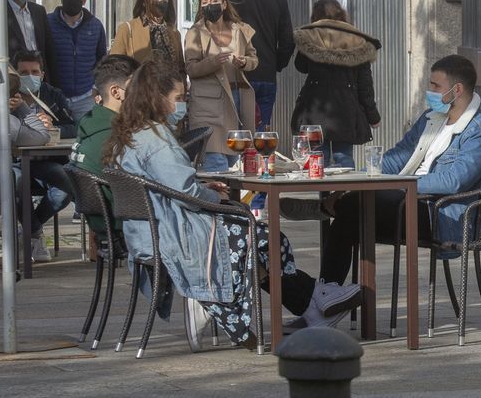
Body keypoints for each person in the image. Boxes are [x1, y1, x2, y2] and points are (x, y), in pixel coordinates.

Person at [104, 60, 363, 348]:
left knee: (255, 234)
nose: (182, 105)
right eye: (178, 98)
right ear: (156, 97)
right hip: (173, 234)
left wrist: (203, 189)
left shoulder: (132, 133)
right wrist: (214, 196)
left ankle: (312, 301)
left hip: (151, 232)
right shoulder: (156, 139)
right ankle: (311, 298)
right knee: (260, 235)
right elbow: (186, 192)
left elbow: (168, 185)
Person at [319, 55, 481, 285]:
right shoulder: (431, 118)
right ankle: (329, 297)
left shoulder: (480, 130)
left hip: (439, 215)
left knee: (353, 206)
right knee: (353, 209)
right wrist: (360, 177)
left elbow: (454, 181)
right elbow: (399, 157)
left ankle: (326, 295)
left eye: (435, 86)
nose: (430, 91)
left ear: (457, 89)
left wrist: (402, 184)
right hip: (409, 201)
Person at [290, 0, 380, 169]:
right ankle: (344, 195)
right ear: (342, 14)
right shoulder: (358, 40)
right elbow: (365, 86)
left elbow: (300, 67)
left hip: (314, 110)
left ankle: (324, 196)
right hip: (345, 111)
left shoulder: (311, 36)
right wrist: (373, 116)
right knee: (343, 157)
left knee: (318, 158)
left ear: (315, 15)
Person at [0, 67, 55, 261]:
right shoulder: (8, 124)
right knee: (8, 191)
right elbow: (42, 136)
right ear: (13, 95)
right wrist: (23, 108)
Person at [184, 0, 258, 172]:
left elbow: (254, 59)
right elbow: (191, 68)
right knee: (216, 162)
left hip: (237, 98)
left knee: (233, 162)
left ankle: (230, 201)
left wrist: (245, 62)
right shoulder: (195, 32)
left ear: (224, 4)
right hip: (208, 105)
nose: (210, 5)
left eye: (214, 1)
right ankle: (217, 201)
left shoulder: (239, 30)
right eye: (204, 2)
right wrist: (213, 62)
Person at [225, 0, 295, 131]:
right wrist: (276, 63)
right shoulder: (278, 0)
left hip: (236, 73)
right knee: (260, 135)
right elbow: (288, 41)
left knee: (235, 134)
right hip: (266, 74)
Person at [74, 54, 140, 237]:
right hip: (129, 224)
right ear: (116, 92)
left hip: (103, 221)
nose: (144, 93)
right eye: (137, 86)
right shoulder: (117, 135)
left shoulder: (90, 124)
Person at [47, 0, 108, 121]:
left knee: (85, 135)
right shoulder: (48, 23)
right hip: (55, 96)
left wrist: (95, 87)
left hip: (85, 97)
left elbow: (102, 60)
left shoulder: (95, 26)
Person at [110, 0, 184, 75]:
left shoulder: (173, 32)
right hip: (141, 87)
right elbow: (114, 65)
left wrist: (182, 85)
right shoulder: (127, 29)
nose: (162, 2)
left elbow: (181, 67)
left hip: (169, 87)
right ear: (145, 2)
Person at [15, 49, 76, 138]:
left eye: (35, 72)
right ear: (15, 76)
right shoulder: (7, 97)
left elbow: (73, 128)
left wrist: (53, 129)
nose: (30, 76)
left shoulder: (54, 95)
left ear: (42, 76)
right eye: (24, 73)